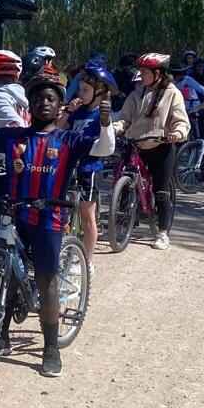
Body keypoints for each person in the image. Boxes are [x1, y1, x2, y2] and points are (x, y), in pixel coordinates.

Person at [0, 70, 115, 377]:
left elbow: (104, 149)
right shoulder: (14, 135)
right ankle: (3, 332)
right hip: (16, 214)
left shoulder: (68, 139)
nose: (43, 103)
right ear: (30, 105)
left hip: (49, 219)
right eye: (37, 98)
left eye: (50, 98)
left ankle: (50, 348)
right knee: (7, 271)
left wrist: (105, 125)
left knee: (46, 280)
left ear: (59, 105)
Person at [111, 53, 191, 250]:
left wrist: (177, 132)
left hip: (161, 146)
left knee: (161, 190)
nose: (141, 75)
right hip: (136, 144)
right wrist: (114, 128)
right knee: (125, 178)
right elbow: (125, 119)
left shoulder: (173, 93)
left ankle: (163, 233)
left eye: (145, 72)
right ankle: (122, 222)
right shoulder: (136, 94)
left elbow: (181, 121)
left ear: (158, 73)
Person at [61, 59, 120, 278]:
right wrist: (68, 110)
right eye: (80, 88)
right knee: (63, 210)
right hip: (70, 166)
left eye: (86, 90)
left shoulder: (101, 115)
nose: (81, 93)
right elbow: (59, 128)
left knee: (87, 215)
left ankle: (88, 260)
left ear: (100, 91)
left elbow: (106, 141)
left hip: (89, 168)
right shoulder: (79, 110)